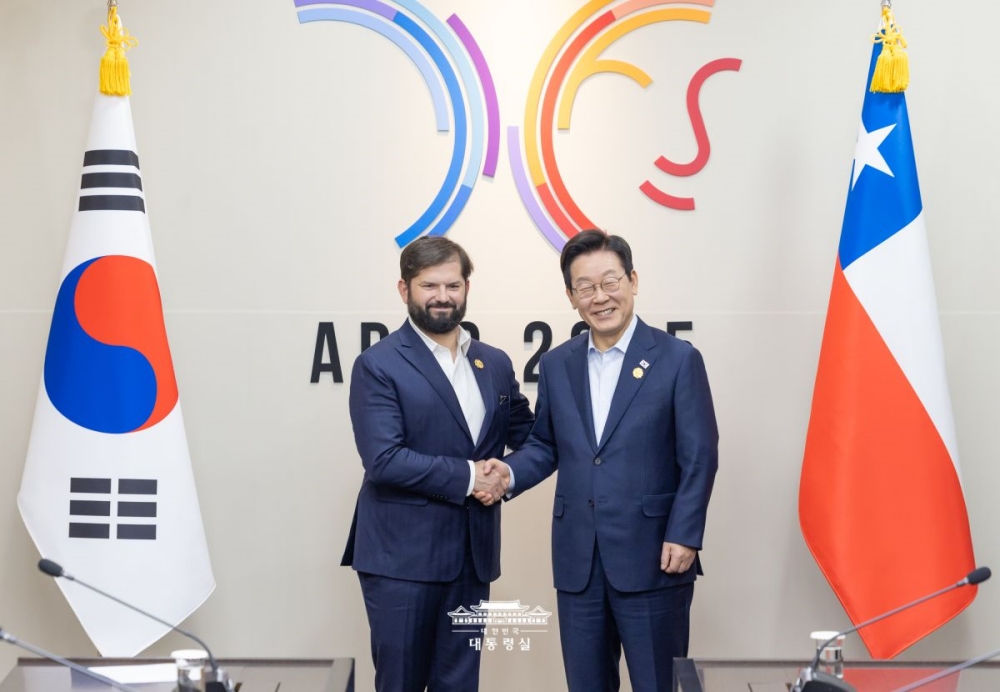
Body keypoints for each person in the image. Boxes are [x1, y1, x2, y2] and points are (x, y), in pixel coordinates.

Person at [480, 229, 719, 691]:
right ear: (571, 297)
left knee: (657, 684)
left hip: (654, 556)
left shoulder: (677, 359)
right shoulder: (557, 364)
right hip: (579, 561)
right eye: (585, 287)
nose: (600, 296)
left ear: (633, 281)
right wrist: (508, 473)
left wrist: (685, 533)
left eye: (610, 282)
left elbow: (700, 456)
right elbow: (546, 444)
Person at [341, 236, 533, 692]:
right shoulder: (378, 364)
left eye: (452, 285)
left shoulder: (494, 362)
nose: (442, 296)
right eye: (429, 285)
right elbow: (384, 459)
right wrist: (471, 477)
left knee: (460, 684)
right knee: (401, 683)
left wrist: (509, 476)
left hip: (472, 558)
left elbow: (531, 437)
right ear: (404, 289)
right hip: (401, 561)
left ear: (467, 287)